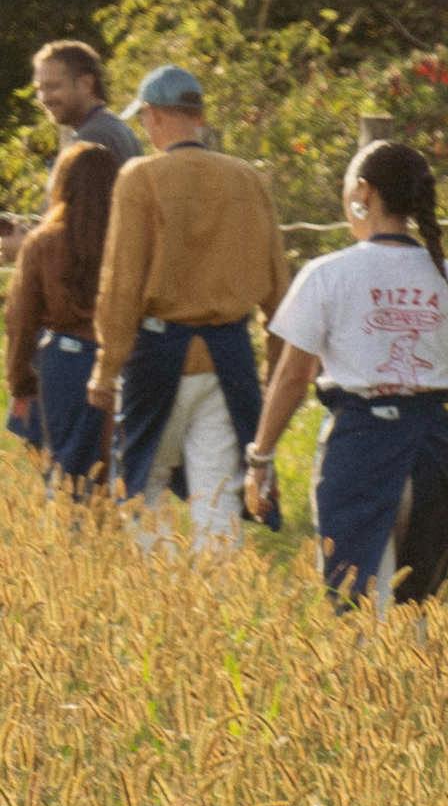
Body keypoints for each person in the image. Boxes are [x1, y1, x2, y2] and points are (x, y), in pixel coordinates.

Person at [242, 143, 448, 606]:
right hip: (431, 451)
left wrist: (261, 458)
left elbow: (293, 378)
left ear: (363, 192)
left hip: (357, 446)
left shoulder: (327, 274)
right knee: (417, 610)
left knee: (355, 605)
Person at [91, 65, 289, 549]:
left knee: (144, 485)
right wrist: (278, 365)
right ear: (198, 117)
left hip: (158, 355)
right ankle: (215, 605)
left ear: (155, 117)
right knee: (217, 490)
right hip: (229, 356)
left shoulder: (140, 178)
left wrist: (105, 367)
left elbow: (122, 282)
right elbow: (279, 286)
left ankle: (159, 603)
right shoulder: (247, 179)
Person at [4, 141, 120, 491]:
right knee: (113, 471)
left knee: (66, 472)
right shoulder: (127, 241)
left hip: (63, 362)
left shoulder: (42, 243)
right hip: (117, 359)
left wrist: (20, 378)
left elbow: (20, 319)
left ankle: (73, 542)